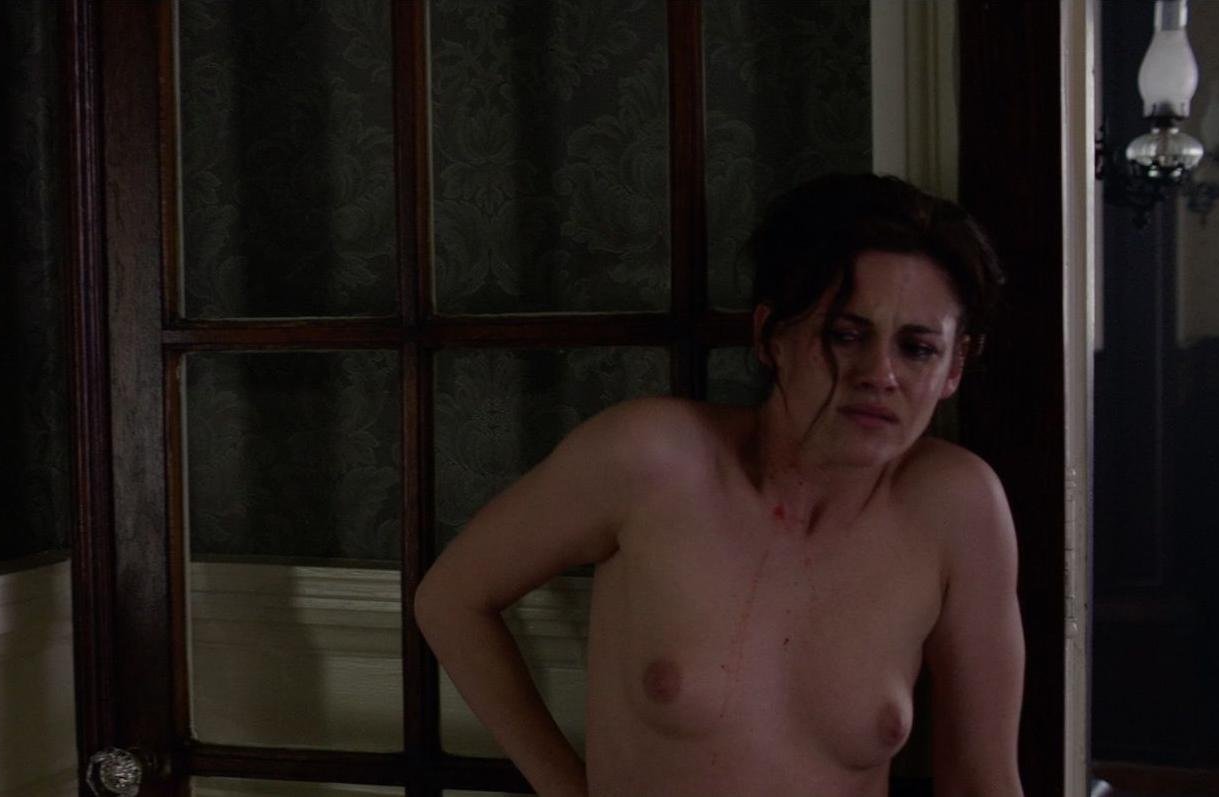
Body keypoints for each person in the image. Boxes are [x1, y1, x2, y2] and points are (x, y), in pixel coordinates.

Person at [415, 174, 1024, 796]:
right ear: (770, 336)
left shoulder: (956, 507)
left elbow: (984, 779)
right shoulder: (652, 460)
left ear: (955, 366)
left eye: (918, 348)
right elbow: (450, 599)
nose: (880, 375)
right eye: (845, 335)